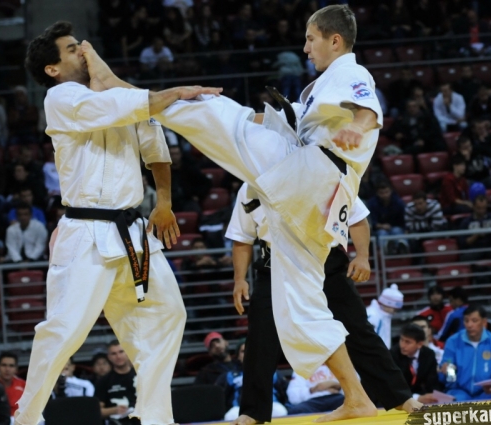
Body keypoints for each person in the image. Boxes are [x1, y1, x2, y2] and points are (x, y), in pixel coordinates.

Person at [151, 5, 394, 420]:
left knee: (226, 124)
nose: (306, 48)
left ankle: (139, 100)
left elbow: (368, 108)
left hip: (313, 174)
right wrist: (257, 117)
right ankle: (357, 397)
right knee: (299, 308)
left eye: (311, 39)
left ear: (335, 40)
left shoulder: (351, 72)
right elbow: (295, 121)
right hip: (314, 194)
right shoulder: (321, 87)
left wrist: (359, 124)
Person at [16, 21, 213, 425]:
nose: (84, 49)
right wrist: (176, 92)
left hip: (133, 232)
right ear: (53, 68)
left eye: (82, 44)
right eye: (72, 48)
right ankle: (26, 417)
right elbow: (128, 105)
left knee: (168, 315)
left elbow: (154, 146)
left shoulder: (121, 96)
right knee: (65, 330)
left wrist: (164, 202)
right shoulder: (62, 97)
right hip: (86, 232)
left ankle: (153, 416)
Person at [227, 182, 418, 424]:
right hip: (274, 266)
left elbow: (357, 217)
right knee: (260, 337)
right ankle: (252, 411)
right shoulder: (250, 186)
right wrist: (239, 279)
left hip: (325, 259)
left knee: (358, 330)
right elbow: (242, 237)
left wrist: (362, 256)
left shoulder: (323, 173)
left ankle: (401, 398)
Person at [439, 306, 491, 401]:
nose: (469, 325)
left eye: (474, 321)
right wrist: (447, 373)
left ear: (484, 322)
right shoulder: (453, 342)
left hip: (486, 392)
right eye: (466, 321)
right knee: (449, 398)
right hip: (460, 391)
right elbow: (446, 377)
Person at [217, 340, 288, 421]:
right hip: (240, 409)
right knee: (231, 415)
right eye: (243, 351)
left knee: (280, 411)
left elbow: (285, 392)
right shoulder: (229, 376)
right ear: (238, 356)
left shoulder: (272, 372)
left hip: (270, 406)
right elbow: (220, 398)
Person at [390, 324, 439, 404]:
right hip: (398, 399)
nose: (402, 345)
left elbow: (432, 381)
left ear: (419, 344)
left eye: (408, 342)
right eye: (401, 340)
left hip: (422, 396)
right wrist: (417, 398)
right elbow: (394, 387)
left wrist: (432, 396)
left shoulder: (429, 354)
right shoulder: (393, 355)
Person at [95, 340, 139, 425]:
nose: (118, 356)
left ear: (127, 353)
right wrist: (114, 410)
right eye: (114, 354)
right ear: (109, 357)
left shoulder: (141, 376)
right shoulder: (103, 381)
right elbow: (97, 411)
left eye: (121, 352)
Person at [457, 194, 491, 261]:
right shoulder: (466, 222)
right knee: (464, 258)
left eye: (484, 208)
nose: (481, 211)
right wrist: (476, 235)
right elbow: (463, 242)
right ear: (473, 206)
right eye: (478, 208)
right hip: (474, 249)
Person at [368, 181, 408, 255]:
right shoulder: (372, 203)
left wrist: (405, 229)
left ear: (391, 191)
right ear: (377, 193)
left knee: (397, 230)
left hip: (395, 227)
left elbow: (403, 220)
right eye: (381, 193)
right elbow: (372, 222)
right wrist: (381, 226)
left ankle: (402, 247)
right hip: (379, 230)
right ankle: (387, 249)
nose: (385, 195)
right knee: (382, 233)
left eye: (386, 192)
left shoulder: (398, 202)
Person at [366, 284, 404, 350]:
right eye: (394, 309)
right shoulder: (373, 317)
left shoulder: (385, 315)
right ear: (387, 304)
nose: (395, 313)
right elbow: (369, 341)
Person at [0, 352, 25, 417]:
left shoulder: (23, 385)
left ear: (16, 369)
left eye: (11, 366)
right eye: (4, 365)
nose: (7, 369)